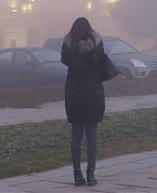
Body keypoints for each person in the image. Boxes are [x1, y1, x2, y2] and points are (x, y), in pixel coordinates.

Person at [61, 17, 105, 186]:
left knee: (76, 133)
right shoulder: (96, 40)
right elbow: (102, 59)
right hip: (93, 91)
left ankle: (77, 174)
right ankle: (91, 173)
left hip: (74, 91)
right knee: (92, 133)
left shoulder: (68, 42)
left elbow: (65, 60)